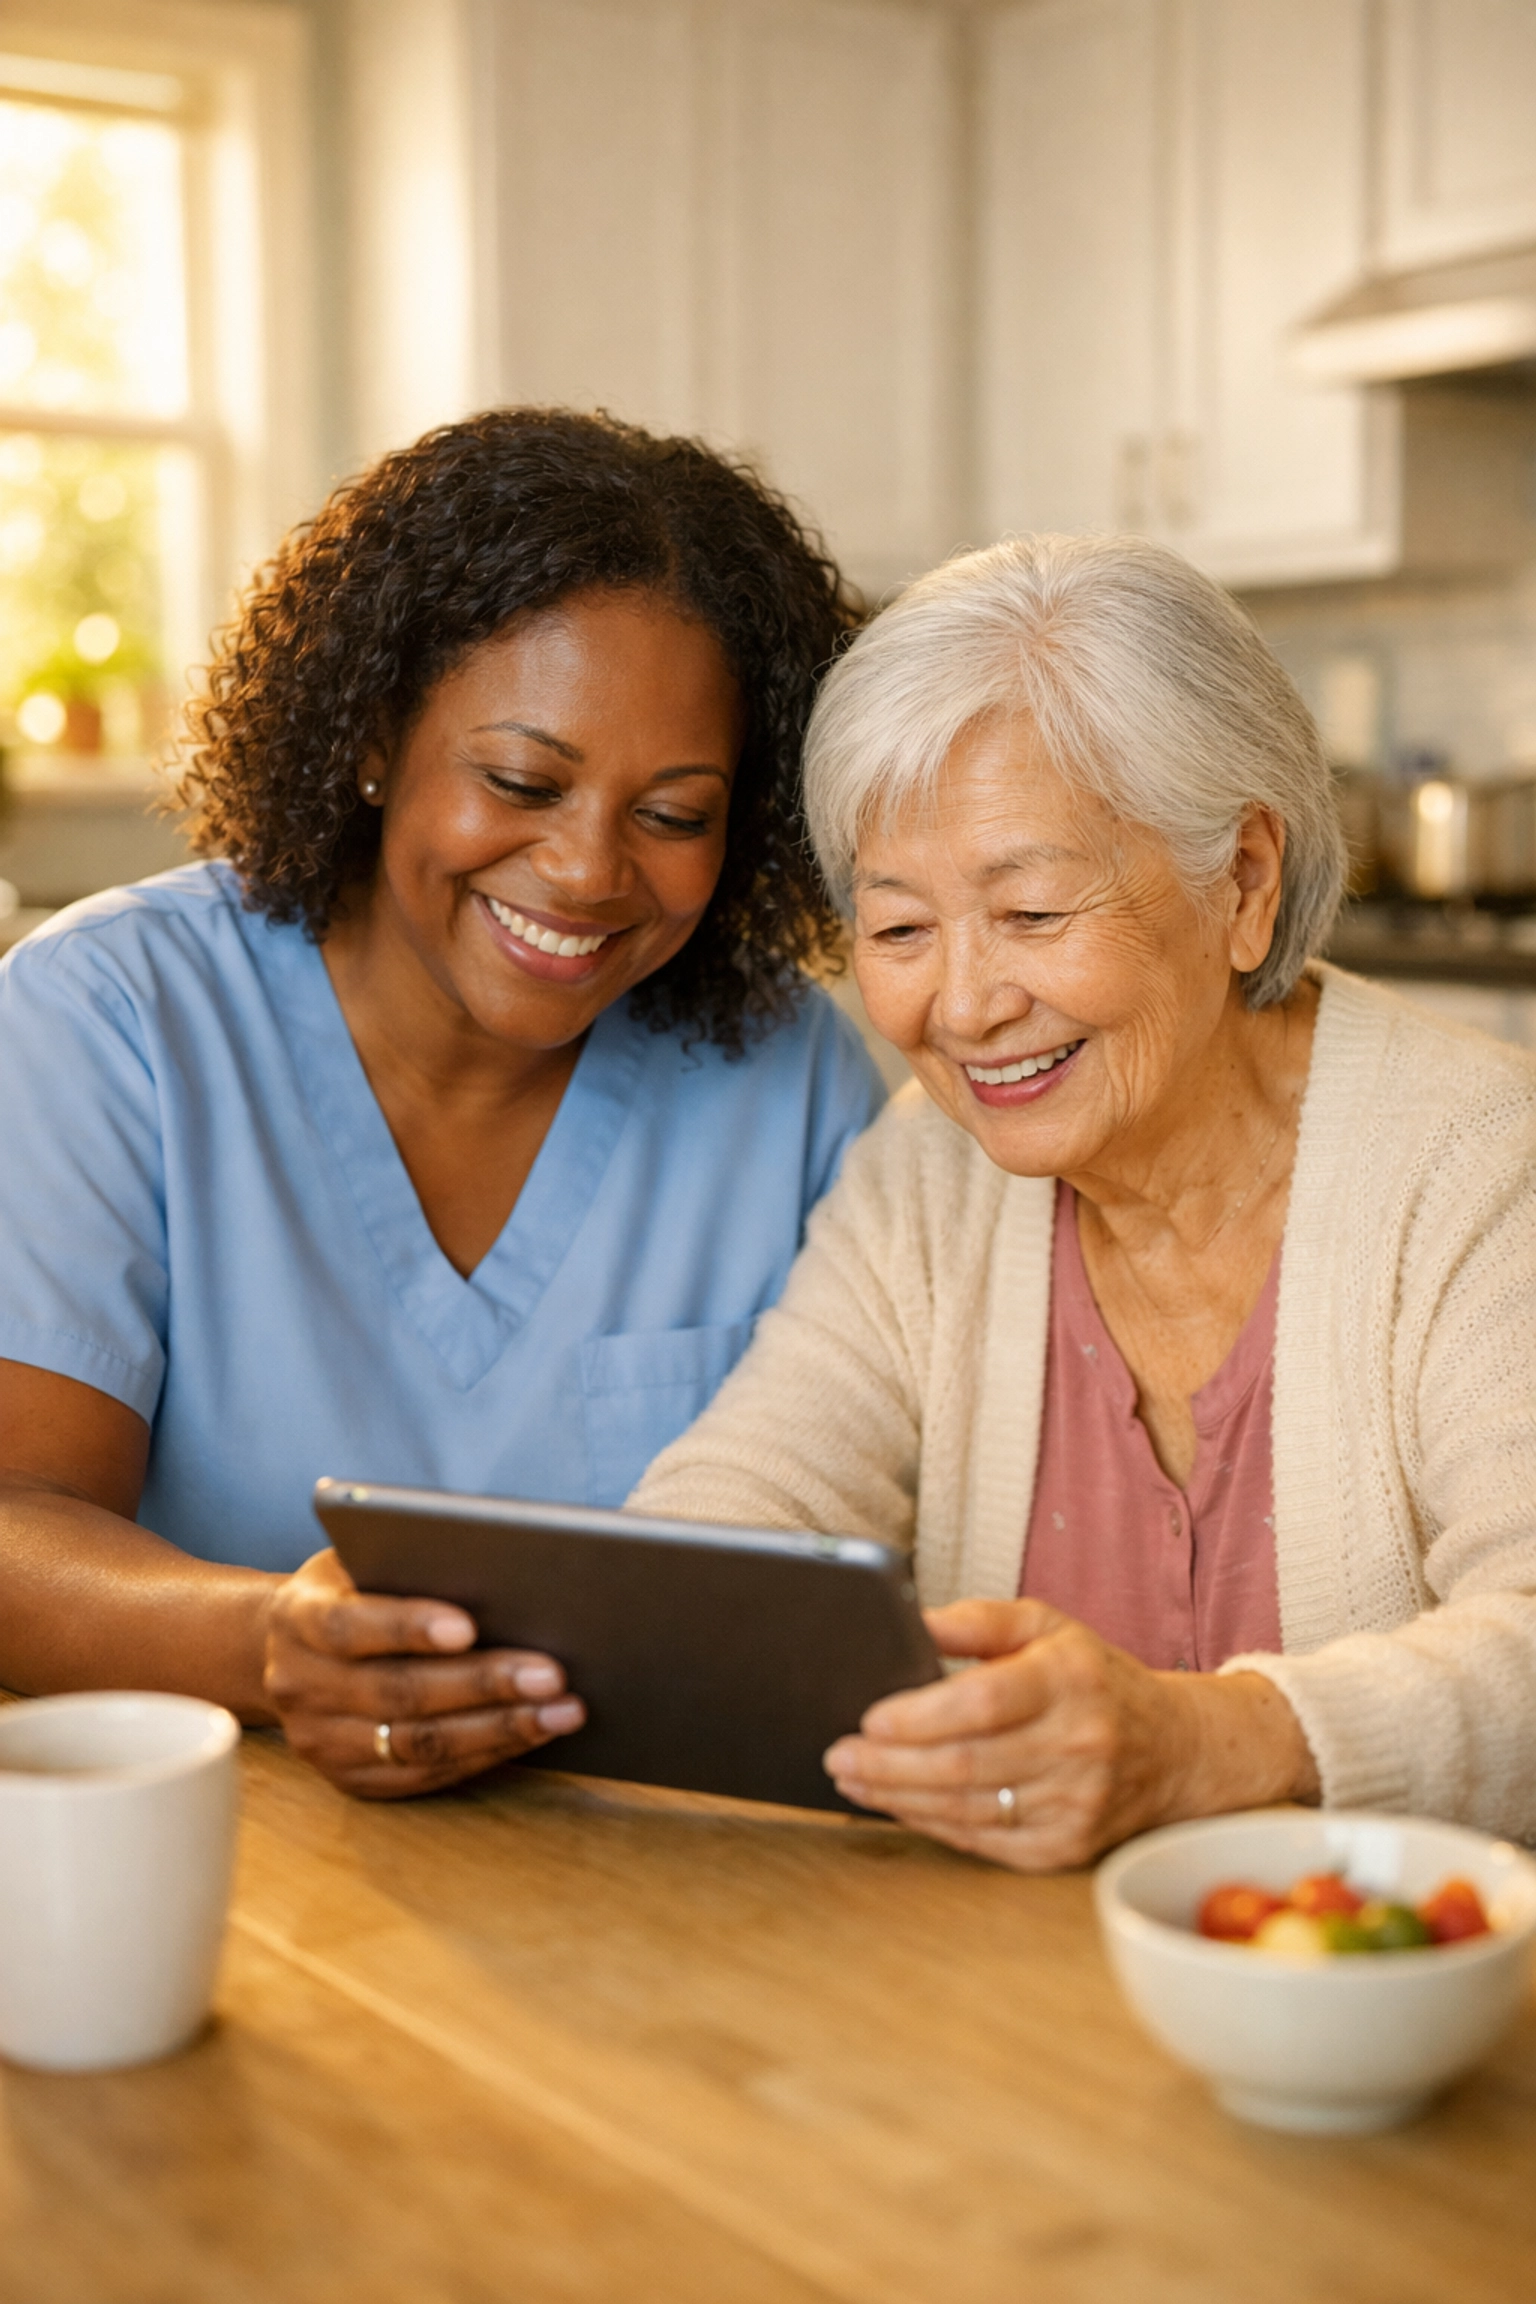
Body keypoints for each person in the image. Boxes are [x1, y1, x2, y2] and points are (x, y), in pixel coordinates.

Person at [0, 408, 883, 1798]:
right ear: (371, 735)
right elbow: (14, 1521)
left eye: (675, 813)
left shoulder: (791, 1075)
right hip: (243, 1842)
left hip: (666, 1874)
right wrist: (268, 1646)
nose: (590, 872)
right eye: (522, 780)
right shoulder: (112, 1020)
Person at [631, 530, 1536, 1868]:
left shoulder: (1477, 1162)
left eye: (1035, 913)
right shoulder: (921, 1180)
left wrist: (1210, 1741)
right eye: (898, 930)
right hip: (1009, 2009)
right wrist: (614, 1635)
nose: (965, 1004)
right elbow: (750, 1499)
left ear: (1242, 883)